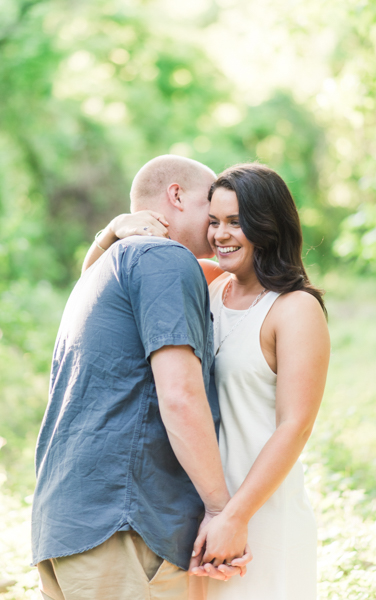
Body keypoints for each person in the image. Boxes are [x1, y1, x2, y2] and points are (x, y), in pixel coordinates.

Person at [87, 162, 330, 600]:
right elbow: (97, 285)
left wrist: (235, 516)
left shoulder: (296, 309)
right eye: (214, 221)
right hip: (200, 515)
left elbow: (296, 426)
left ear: (268, 225)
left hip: (260, 512)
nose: (220, 234)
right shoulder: (208, 282)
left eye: (237, 222)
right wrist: (112, 231)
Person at [32, 155, 249, 600]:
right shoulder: (164, 258)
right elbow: (180, 395)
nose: (215, 228)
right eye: (209, 210)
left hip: (68, 528)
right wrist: (222, 512)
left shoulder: (105, 271)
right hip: (124, 527)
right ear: (175, 195)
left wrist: (108, 233)